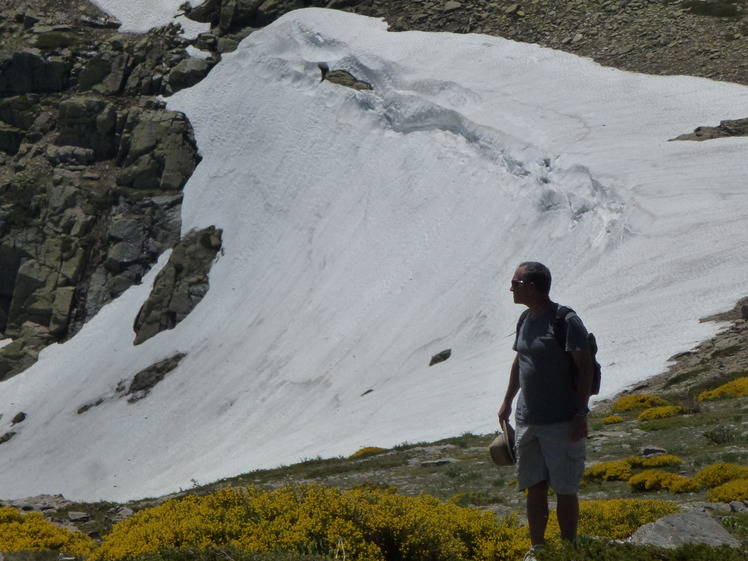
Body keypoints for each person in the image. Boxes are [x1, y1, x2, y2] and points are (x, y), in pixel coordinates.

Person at [497, 262, 594, 560]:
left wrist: (580, 413)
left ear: (532, 285)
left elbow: (585, 367)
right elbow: (520, 361)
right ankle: (537, 549)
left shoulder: (566, 320)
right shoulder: (525, 319)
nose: (511, 288)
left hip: (562, 421)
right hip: (528, 421)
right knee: (534, 486)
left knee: (565, 487)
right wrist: (507, 401)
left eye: (515, 282)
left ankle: (569, 550)